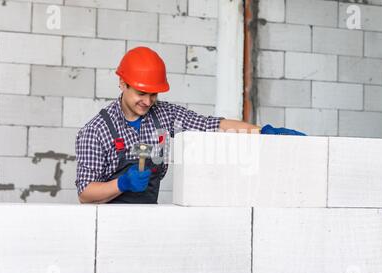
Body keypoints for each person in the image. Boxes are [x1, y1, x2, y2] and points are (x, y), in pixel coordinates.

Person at [75, 47, 305, 204]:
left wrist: (261, 132)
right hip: (105, 222)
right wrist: (122, 183)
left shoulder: (164, 115)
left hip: (147, 217)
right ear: (122, 84)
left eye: (153, 94)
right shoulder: (96, 131)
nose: (147, 101)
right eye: (141, 93)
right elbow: (85, 193)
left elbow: (211, 125)